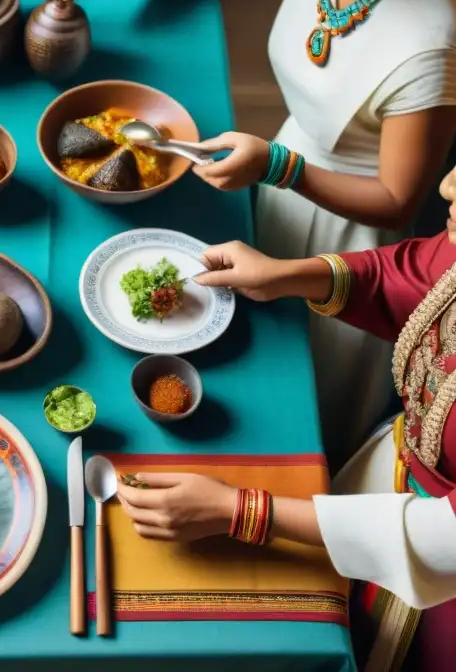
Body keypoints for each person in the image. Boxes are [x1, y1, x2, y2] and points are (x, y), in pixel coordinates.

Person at [47, 0, 456, 470]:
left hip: (351, 233)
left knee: (297, 398)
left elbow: (398, 198)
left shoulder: (430, 40)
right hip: (276, 169)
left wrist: (280, 168)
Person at [115, 161, 456, 672]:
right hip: (391, 477)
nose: (448, 182)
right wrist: (282, 275)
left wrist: (240, 510)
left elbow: (442, 537)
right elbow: (416, 275)